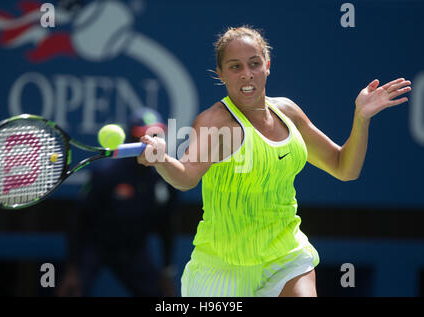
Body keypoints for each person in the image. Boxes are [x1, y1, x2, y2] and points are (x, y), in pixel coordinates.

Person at [136, 26, 412, 297]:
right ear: (221, 74)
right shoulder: (215, 122)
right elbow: (185, 177)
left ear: (267, 65)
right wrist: (163, 160)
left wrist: (361, 118)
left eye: (254, 63)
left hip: (285, 255)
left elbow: (344, 168)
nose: (247, 74)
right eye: (235, 67)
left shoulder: (288, 112)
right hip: (222, 267)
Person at [57, 107, 179, 297]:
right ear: (132, 137)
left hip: (134, 250)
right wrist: (73, 269)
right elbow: (78, 219)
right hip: (96, 246)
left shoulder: (165, 179)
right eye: (145, 136)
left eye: (157, 135)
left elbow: (167, 226)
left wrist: (166, 271)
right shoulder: (106, 173)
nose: (152, 141)